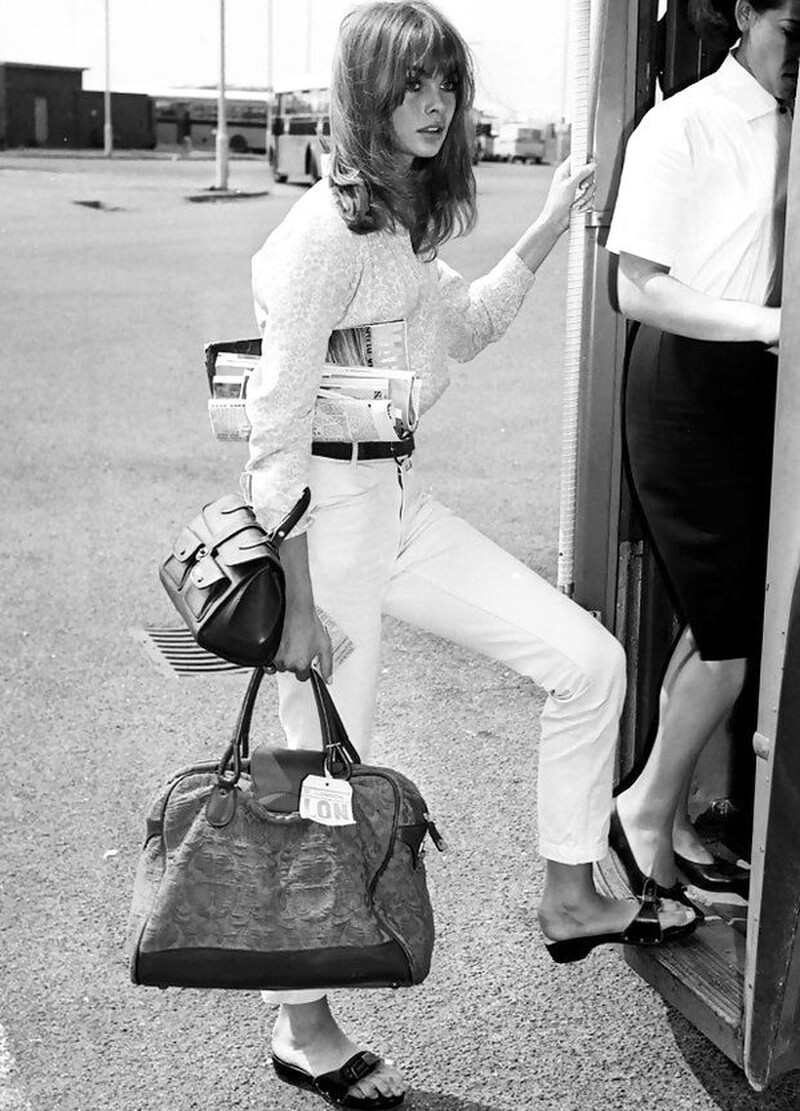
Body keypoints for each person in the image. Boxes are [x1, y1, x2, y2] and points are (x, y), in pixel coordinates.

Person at [243, 3, 696, 1107]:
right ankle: (302, 1026)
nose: (435, 102)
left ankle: (570, 893)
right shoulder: (321, 235)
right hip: (324, 527)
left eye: (445, 82)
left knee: (586, 661)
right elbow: (272, 424)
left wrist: (545, 224)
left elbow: (472, 323)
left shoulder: (396, 224)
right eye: (412, 84)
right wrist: (296, 596)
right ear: (366, 95)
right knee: (317, 775)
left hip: (396, 503)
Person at [605, 0, 798, 904]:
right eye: (793, 32)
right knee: (729, 644)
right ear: (745, 14)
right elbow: (635, 288)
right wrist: (769, 323)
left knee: (715, 622)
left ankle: (671, 812)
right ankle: (642, 812)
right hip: (686, 386)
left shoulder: (792, 124)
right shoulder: (682, 124)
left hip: (757, 392)